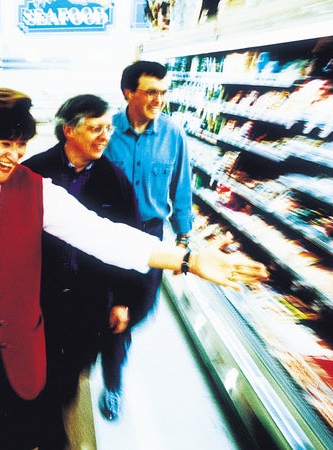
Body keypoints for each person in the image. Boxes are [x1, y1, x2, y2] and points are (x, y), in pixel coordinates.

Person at [0, 88, 268, 450]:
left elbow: (105, 236)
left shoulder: (35, 193)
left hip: (10, 355)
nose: (16, 156)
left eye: (21, 144)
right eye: (4, 144)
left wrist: (189, 259)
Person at [22, 94, 146, 445]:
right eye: (95, 128)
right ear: (68, 132)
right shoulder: (34, 171)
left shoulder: (115, 181)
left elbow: (127, 241)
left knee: (72, 367)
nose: (105, 136)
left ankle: (57, 407)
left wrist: (122, 300)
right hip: (39, 291)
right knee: (37, 366)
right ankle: (48, 433)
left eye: (108, 128)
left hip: (88, 296)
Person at [102, 60, 194, 419]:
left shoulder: (173, 135)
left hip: (152, 236)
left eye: (163, 92)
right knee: (111, 312)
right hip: (110, 234)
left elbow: (182, 188)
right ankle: (113, 382)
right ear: (129, 92)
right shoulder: (106, 131)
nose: (159, 99)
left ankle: (118, 339)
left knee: (139, 309)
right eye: (151, 92)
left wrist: (184, 238)